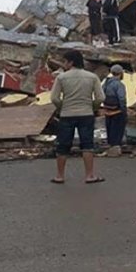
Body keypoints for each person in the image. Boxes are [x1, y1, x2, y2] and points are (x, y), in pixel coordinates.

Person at [50, 50, 105, 184]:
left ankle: (60, 176)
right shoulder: (92, 77)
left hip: (67, 115)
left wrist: (62, 107)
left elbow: (54, 98)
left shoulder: (61, 78)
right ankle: (89, 175)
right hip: (86, 114)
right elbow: (100, 98)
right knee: (87, 145)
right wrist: (92, 107)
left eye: (65, 61)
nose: (63, 64)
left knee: (63, 145)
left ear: (71, 62)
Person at [102, 64, 127, 158]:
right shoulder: (119, 84)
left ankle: (111, 146)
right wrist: (124, 109)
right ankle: (115, 149)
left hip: (108, 110)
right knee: (118, 130)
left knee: (110, 129)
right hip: (117, 111)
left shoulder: (106, 83)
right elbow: (122, 98)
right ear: (120, 73)